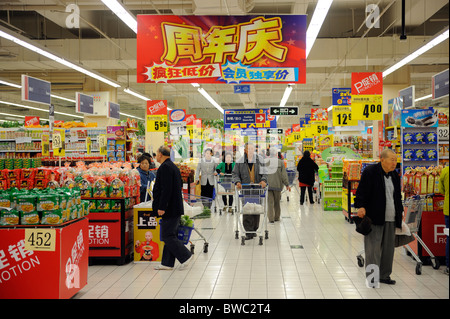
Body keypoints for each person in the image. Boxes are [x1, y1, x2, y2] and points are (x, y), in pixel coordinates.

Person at [354, 148, 403, 286]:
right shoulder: (370, 172)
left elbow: (397, 197)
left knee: (388, 250)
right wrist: (361, 206)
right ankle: (372, 278)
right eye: (392, 160)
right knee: (372, 250)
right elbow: (361, 191)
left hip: (391, 218)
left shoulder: (394, 175)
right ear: (382, 159)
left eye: (396, 160)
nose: (395, 163)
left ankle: (384, 275)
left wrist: (400, 212)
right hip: (374, 217)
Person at [152, 145, 192, 270]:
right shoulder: (171, 166)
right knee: (170, 234)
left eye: (157, 153)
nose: (156, 156)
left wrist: (162, 206)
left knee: (167, 235)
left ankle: (185, 255)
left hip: (170, 208)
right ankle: (167, 263)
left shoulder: (165, 168)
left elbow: (166, 189)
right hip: (174, 206)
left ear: (160, 154)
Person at [232, 142, 267, 240]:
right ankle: (248, 231)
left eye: (253, 149)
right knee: (247, 210)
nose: (251, 151)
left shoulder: (260, 160)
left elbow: (265, 173)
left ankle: (254, 230)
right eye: (249, 149)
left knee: (257, 209)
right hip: (246, 190)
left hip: (257, 190)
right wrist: (237, 182)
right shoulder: (239, 162)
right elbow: (235, 174)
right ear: (245, 150)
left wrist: (264, 180)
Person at [267, 147, 290, 223]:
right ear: (276, 154)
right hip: (277, 185)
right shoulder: (280, 162)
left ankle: (271, 218)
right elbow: (284, 175)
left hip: (268, 185)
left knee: (270, 202)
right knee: (277, 202)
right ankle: (276, 217)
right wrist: (287, 184)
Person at [438, 165, 449, 275]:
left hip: (448, 208)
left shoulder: (445, 171)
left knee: (449, 238)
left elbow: (441, 190)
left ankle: (448, 266)